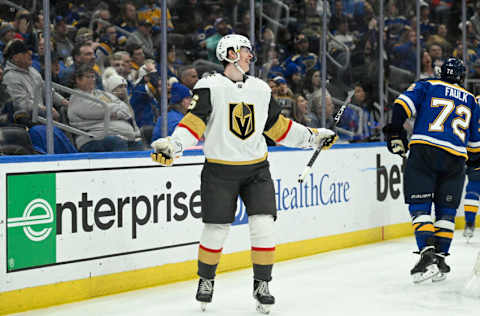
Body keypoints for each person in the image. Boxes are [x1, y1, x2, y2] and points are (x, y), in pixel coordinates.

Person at [149, 34, 337, 314]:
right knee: (216, 229)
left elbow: (278, 128)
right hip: (219, 170)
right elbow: (194, 123)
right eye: (246, 51)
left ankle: (262, 284)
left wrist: (312, 137)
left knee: (263, 225)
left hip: (257, 169)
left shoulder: (261, 89)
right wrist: (174, 145)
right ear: (231, 52)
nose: (251, 56)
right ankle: (206, 280)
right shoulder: (209, 85)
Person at [383, 58, 480, 284]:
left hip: (425, 150)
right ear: (462, 78)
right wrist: (475, 164)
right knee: (446, 211)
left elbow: (402, 104)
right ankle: (441, 257)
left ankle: (427, 253)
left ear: (441, 72)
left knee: (420, 205)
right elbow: (475, 144)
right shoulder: (470, 100)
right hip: (456, 157)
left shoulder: (428, 84)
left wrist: (396, 132)